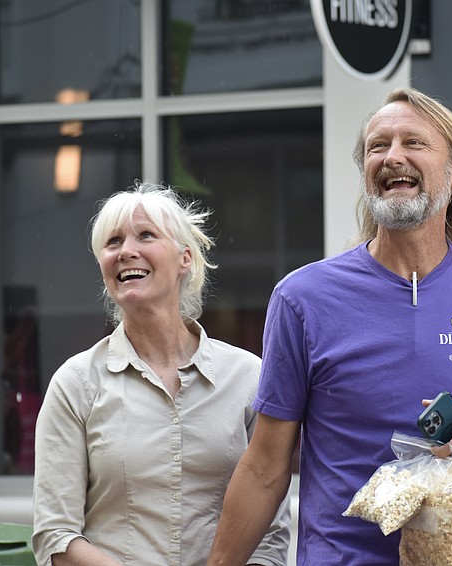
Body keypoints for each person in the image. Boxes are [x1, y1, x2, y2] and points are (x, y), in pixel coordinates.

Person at [207, 87, 452, 566]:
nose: (392, 157)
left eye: (414, 143)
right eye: (377, 146)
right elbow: (264, 467)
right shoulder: (303, 298)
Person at [32, 182, 290, 566]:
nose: (126, 252)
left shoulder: (248, 377)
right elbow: (55, 536)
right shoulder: (76, 383)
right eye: (113, 242)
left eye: (146, 235)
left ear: (185, 258)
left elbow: (271, 537)